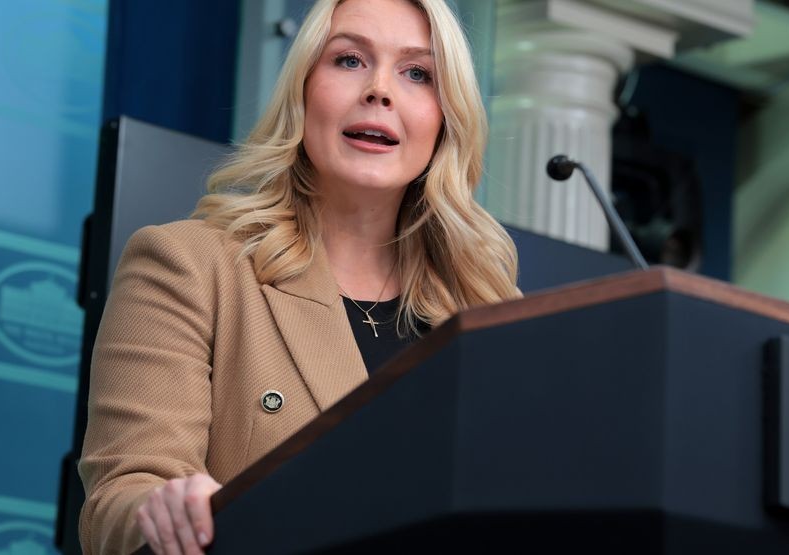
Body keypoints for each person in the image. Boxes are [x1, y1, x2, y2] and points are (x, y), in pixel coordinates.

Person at [78, 0, 520, 553]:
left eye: (417, 73)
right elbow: (121, 498)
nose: (379, 90)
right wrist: (168, 511)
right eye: (350, 60)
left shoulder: (490, 312)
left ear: (446, 118)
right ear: (302, 91)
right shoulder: (187, 263)